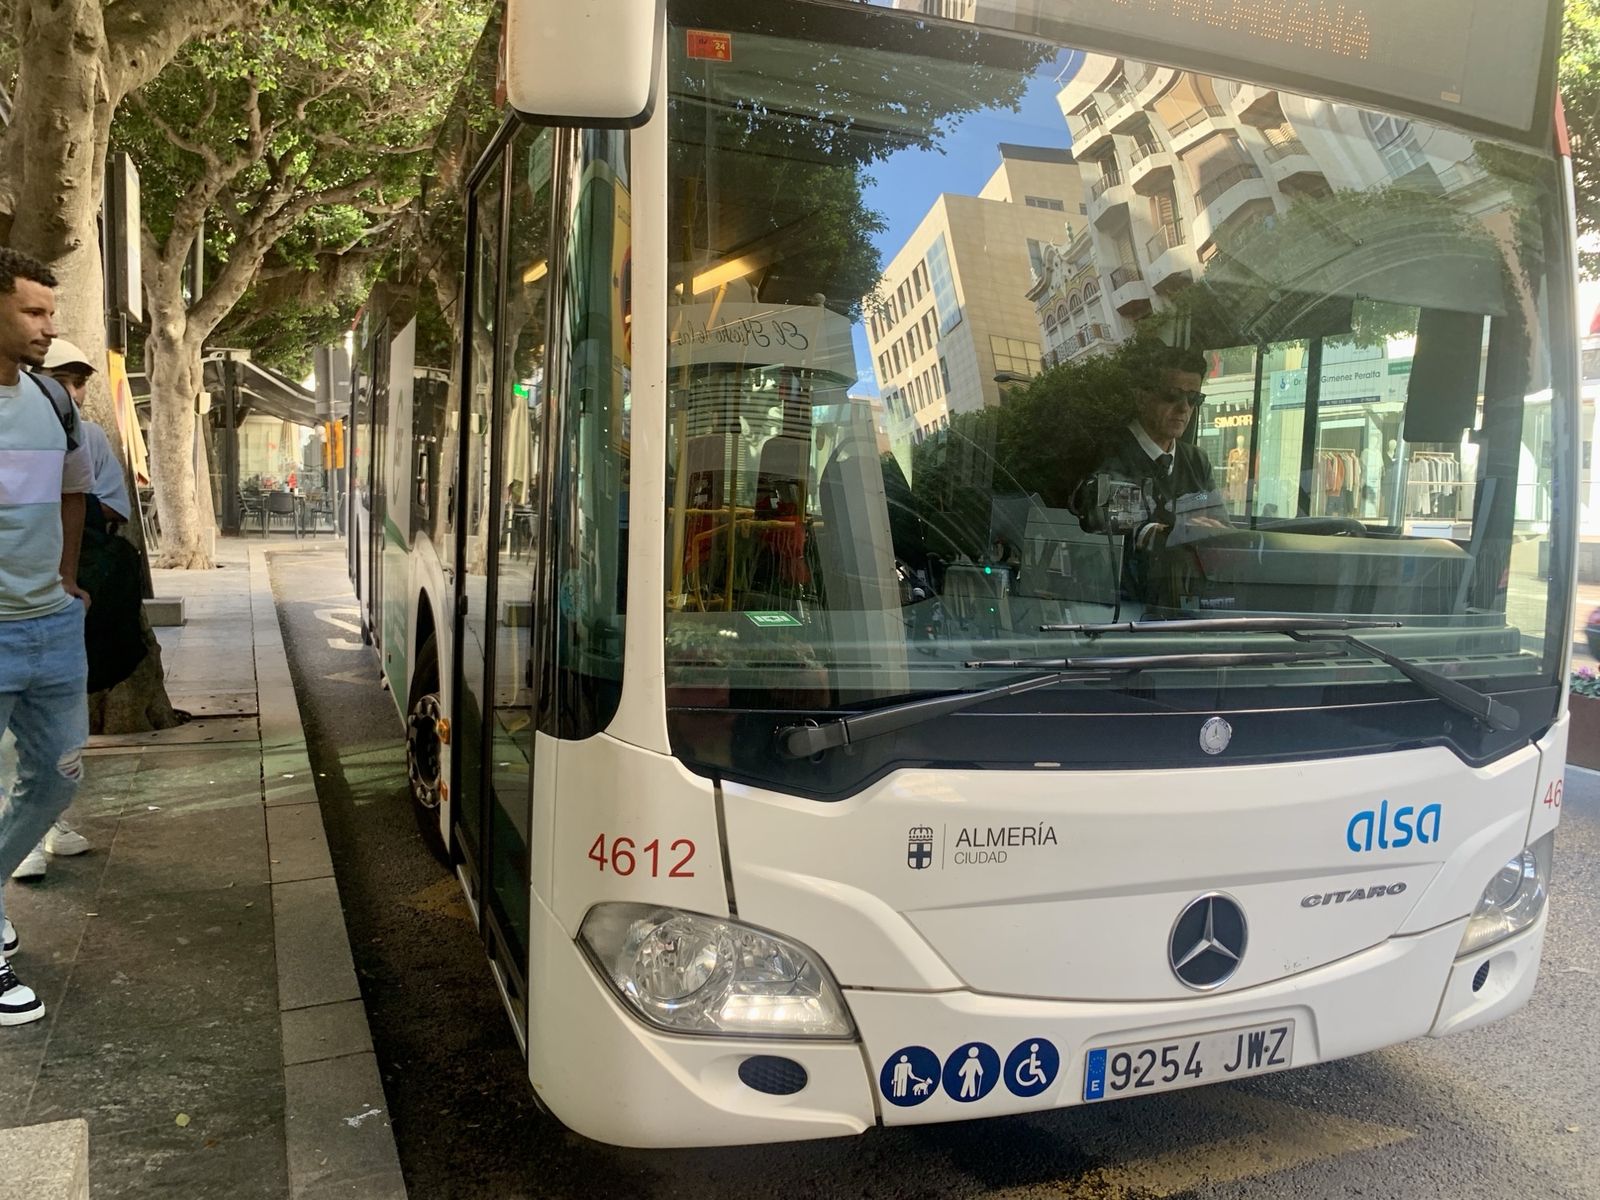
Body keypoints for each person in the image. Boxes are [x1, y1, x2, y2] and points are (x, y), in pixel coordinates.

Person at [0, 248, 93, 1026]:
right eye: (32, 311)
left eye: (48, 312)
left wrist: (66, 579)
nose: (47, 326)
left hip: (50, 626)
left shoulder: (50, 403)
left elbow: (68, 493)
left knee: (58, 776)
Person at [8, 338, 134, 880]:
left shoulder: (77, 428)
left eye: (81, 381)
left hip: (53, 612)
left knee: (56, 763)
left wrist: (65, 581)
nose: (75, 392)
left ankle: (38, 829)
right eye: (67, 378)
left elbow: (91, 501)